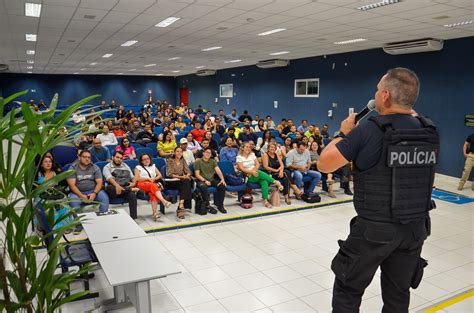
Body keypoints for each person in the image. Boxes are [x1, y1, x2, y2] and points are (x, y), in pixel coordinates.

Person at [318, 67, 439, 312]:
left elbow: (324, 162)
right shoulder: (428, 130)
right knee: (397, 294)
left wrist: (344, 133)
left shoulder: (370, 129)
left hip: (374, 231)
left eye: (377, 90)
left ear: (384, 96)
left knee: (348, 289)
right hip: (415, 228)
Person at [236, 142, 283, 208]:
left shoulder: (252, 154)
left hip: (255, 173)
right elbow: (242, 168)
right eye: (246, 147)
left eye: (249, 147)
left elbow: (257, 164)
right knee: (260, 173)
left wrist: (253, 171)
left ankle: (265, 200)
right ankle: (275, 182)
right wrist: (251, 172)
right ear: (243, 148)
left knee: (264, 181)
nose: (248, 148)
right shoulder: (239, 157)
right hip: (247, 176)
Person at [67, 150, 109, 217]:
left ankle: (103, 219)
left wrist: (94, 194)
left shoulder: (95, 167)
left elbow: (99, 183)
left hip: (93, 191)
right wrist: (81, 196)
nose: (87, 159)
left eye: (89, 157)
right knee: (73, 202)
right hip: (77, 193)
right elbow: (72, 185)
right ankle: (78, 225)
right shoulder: (72, 168)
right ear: (79, 157)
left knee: (104, 198)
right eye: (84, 157)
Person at [134, 153, 171, 221]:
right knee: (152, 185)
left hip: (151, 184)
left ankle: (155, 213)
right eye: (144, 159)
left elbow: (159, 175)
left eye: (147, 158)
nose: (146, 160)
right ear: (141, 161)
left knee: (153, 194)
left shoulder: (153, 166)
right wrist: (148, 179)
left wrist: (154, 179)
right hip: (142, 184)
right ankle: (164, 201)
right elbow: (137, 178)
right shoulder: (138, 167)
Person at [103, 151, 139, 219]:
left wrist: (134, 183)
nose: (119, 159)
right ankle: (130, 189)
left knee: (132, 196)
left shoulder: (125, 166)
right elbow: (109, 178)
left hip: (125, 187)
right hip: (114, 190)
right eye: (117, 157)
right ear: (113, 157)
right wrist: (117, 186)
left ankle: (133, 218)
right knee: (110, 188)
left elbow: (132, 177)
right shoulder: (107, 167)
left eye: (121, 158)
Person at [194, 148, 227, 214]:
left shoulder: (213, 161)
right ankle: (208, 206)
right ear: (203, 153)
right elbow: (197, 175)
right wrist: (205, 180)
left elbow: (218, 171)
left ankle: (220, 205)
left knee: (222, 186)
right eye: (206, 152)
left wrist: (222, 179)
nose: (208, 154)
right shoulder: (198, 161)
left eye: (209, 153)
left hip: (211, 180)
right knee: (203, 187)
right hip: (201, 180)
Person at [166, 147, 194, 219]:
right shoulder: (170, 160)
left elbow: (188, 171)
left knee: (186, 181)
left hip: (181, 181)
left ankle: (181, 204)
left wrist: (187, 175)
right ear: (174, 152)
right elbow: (169, 174)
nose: (179, 153)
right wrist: (182, 177)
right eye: (177, 151)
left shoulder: (182, 160)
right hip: (172, 181)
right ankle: (181, 206)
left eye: (181, 151)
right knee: (186, 182)